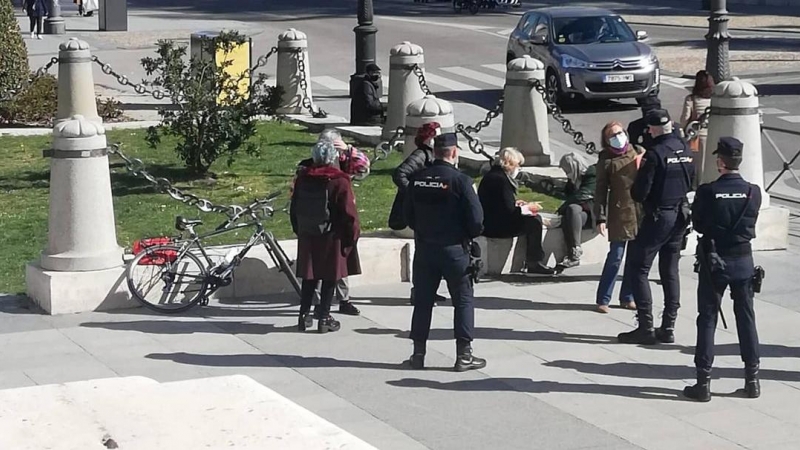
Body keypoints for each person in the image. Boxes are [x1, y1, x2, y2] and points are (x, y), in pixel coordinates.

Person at [684, 137, 762, 402]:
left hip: (715, 260)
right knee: (746, 318)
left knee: (707, 319)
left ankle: (703, 382)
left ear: (720, 161)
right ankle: (752, 380)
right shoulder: (754, 192)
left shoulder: (707, 192)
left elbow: (699, 225)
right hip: (743, 260)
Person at [403, 132, 486, 372]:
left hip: (425, 249)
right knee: (462, 301)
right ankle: (464, 355)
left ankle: (418, 355)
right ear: (454, 152)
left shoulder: (418, 179)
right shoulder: (461, 181)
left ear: (435, 152)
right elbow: (477, 220)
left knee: (423, 302)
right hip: (455, 250)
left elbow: (408, 215)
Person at [618, 109, 695, 345]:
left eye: (649, 129)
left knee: (638, 267)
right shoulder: (685, 150)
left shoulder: (655, 154)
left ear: (653, 129)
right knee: (670, 270)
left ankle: (646, 326)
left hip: (659, 216)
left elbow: (640, 193)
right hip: (681, 214)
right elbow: (692, 180)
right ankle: (669, 326)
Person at [290, 140, 362, 333]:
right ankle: (324, 317)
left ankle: (303, 316)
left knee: (309, 276)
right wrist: (353, 236)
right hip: (332, 234)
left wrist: (300, 230)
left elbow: (294, 207)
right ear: (333, 158)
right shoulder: (339, 181)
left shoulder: (303, 178)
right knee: (330, 276)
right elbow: (349, 213)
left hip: (308, 233)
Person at [389, 122, 449, 304]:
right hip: (419, 209)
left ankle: (429, 289)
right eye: (436, 136)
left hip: (426, 208)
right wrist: (416, 192)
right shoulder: (420, 154)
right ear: (428, 138)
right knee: (423, 251)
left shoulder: (429, 154)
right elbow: (400, 174)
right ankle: (419, 290)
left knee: (430, 251)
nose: (439, 139)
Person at [478, 147, 554, 275]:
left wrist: (516, 203)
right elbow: (509, 211)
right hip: (496, 227)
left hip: (491, 222)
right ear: (510, 164)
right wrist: (527, 208)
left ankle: (532, 261)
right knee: (535, 221)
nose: (519, 168)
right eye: (518, 165)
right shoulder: (501, 180)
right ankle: (534, 262)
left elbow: (501, 204)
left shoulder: (493, 176)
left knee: (533, 220)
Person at [594, 121, 643, 313]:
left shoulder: (637, 151)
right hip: (619, 213)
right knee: (616, 256)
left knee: (634, 257)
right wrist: (600, 217)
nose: (618, 137)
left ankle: (627, 296)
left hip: (639, 211)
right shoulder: (606, 161)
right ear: (606, 141)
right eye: (612, 135)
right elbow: (600, 191)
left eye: (620, 132)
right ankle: (603, 298)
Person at [555, 153, 597, 270]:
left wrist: (561, 209)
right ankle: (572, 254)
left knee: (573, 208)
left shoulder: (592, 175)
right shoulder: (572, 180)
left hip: (594, 214)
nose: (566, 174)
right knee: (569, 214)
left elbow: (582, 196)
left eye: (566, 170)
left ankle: (575, 250)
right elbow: (569, 196)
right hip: (579, 215)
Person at [680, 70, 715, 187]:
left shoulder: (691, 99)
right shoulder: (715, 98)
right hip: (714, 134)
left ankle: (697, 188)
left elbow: (685, 118)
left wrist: (682, 129)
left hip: (698, 137)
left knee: (698, 166)